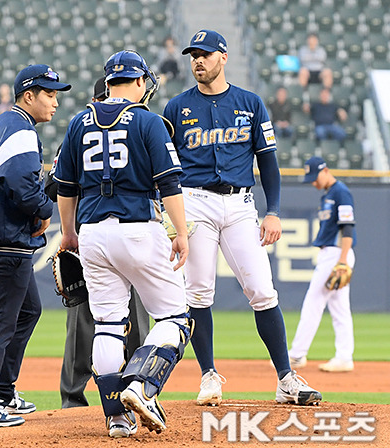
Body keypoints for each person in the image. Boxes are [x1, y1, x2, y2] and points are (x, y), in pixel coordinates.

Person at [163, 30, 322, 407]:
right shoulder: (176, 107)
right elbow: (166, 168)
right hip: (195, 202)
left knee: (264, 291)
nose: (197, 61)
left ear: (223, 56)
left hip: (239, 205)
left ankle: (285, 378)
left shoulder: (249, 103)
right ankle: (208, 376)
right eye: (193, 55)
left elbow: (268, 161)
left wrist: (273, 211)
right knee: (198, 291)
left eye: (205, 54)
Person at [53, 50, 193, 438]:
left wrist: (68, 234)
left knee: (108, 324)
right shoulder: (148, 121)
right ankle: (143, 387)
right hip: (136, 227)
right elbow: (169, 183)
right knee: (175, 318)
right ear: (139, 82)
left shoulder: (79, 121)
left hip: (92, 233)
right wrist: (180, 232)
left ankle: (116, 417)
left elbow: (65, 186)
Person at [0, 64, 71, 429]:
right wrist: (43, 210)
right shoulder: (20, 129)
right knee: (0, 321)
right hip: (7, 239)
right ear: (29, 95)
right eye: (50, 94)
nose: (55, 102)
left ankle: (3, 392)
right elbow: (19, 183)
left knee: (27, 311)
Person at [45, 76, 150, 409]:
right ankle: (81, 398)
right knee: (98, 324)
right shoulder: (92, 133)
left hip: (103, 239)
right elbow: (55, 185)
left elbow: (55, 186)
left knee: (116, 324)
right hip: (103, 241)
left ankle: (129, 393)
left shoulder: (95, 131)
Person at [288, 157, 356, 372]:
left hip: (336, 254)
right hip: (333, 253)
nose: (313, 183)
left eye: (315, 177)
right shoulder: (329, 194)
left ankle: (297, 355)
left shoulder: (340, 192)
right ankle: (344, 357)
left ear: (325, 170)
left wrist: (343, 260)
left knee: (313, 303)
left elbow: (348, 227)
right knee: (339, 308)